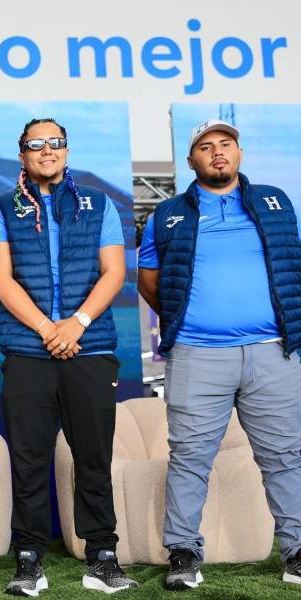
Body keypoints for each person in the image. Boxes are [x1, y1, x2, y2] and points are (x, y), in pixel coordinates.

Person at [138, 119, 301, 590]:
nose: (217, 152)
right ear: (191, 160)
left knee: (286, 456)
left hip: (272, 353)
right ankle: (183, 553)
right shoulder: (168, 213)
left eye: (225, 144)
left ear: (239, 152)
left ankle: (296, 552)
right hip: (198, 355)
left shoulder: (275, 201)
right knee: (190, 457)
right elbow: (149, 281)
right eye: (205, 147)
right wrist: (188, 319)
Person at [0, 118, 136, 595]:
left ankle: (102, 558)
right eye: (36, 143)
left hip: (91, 348)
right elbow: (1, 280)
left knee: (93, 458)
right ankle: (29, 560)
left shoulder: (98, 202)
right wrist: (49, 329)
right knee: (29, 460)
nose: (47, 150)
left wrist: (78, 323)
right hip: (29, 352)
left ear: (66, 151)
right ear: (22, 154)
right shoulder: (1, 207)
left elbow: (114, 272)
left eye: (56, 142)